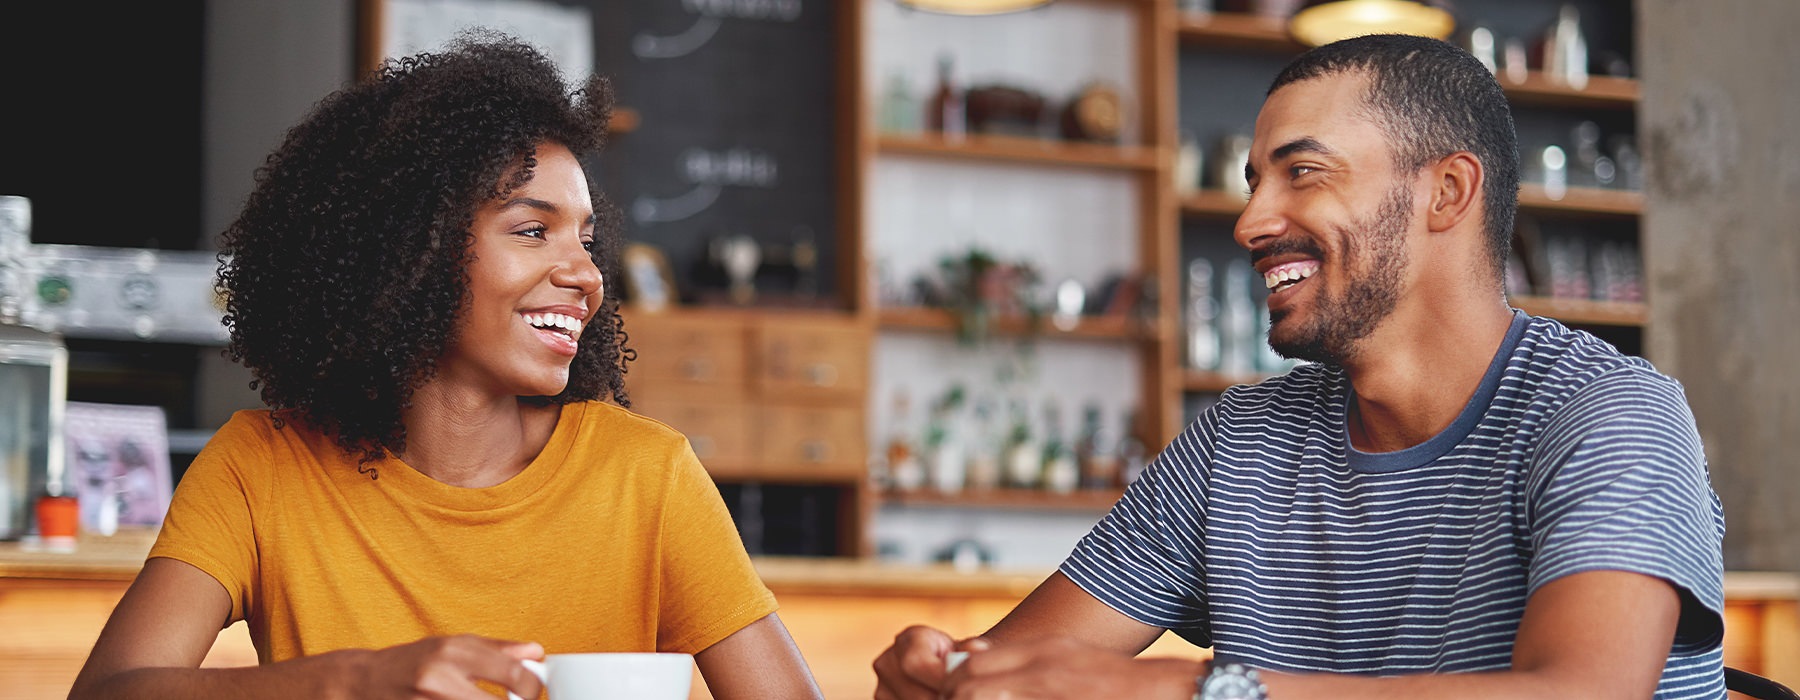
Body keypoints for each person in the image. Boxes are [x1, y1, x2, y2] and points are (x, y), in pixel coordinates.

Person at [873, 33, 1726, 700]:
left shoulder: (1609, 414)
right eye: (1252, 183)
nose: (1250, 222)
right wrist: (946, 675)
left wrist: (1188, 686)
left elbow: (1576, 693)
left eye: (1302, 174)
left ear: (1448, 193)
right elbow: (1023, 670)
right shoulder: (1237, 445)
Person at [69, 32, 822, 700]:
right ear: (409, 249)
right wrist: (351, 681)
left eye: (587, 242)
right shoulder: (260, 469)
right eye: (533, 230)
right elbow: (108, 692)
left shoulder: (646, 476)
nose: (586, 276)